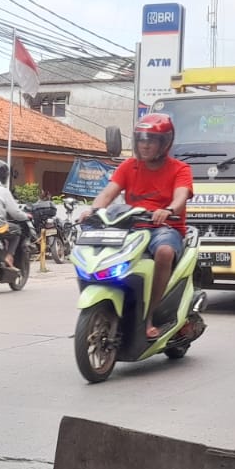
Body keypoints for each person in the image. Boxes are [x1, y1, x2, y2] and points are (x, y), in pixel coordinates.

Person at [88, 113, 192, 340]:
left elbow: (181, 196)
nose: (145, 145)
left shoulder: (180, 169)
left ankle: (150, 316)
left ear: (164, 143)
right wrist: (93, 210)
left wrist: (170, 210)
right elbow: (107, 193)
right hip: (131, 227)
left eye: (151, 140)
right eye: (141, 140)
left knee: (164, 253)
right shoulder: (128, 166)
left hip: (164, 227)